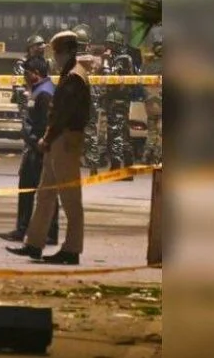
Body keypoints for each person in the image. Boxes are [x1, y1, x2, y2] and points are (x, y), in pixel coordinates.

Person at [7, 31, 90, 266]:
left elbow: (63, 114)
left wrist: (47, 137)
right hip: (58, 141)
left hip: (65, 140)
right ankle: (34, 243)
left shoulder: (74, 76)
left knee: (70, 198)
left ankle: (72, 249)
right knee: (45, 195)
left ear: (65, 52)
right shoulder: (70, 73)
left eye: (56, 52)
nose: (54, 57)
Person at [0, 56, 60, 246]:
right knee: (29, 189)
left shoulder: (45, 93)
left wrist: (37, 142)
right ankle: (24, 228)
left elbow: (45, 123)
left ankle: (47, 232)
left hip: (39, 148)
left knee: (43, 191)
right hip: (34, 147)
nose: (24, 77)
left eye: (27, 73)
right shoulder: (39, 90)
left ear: (36, 73)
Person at [102, 30, 136, 173]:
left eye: (110, 44)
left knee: (116, 134)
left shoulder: (120, 59)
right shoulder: (125, 58)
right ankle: (128, 167)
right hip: (120, 100)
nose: (108, 47)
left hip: (117, 101)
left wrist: (105, 62)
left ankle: (117, 168)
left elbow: (108, 77)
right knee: (124, 134)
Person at [74, 25, 104, 175]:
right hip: (91, 98)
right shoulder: (95, 60)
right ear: (87, 44)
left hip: (73, 97)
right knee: (91, 130)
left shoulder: (69, 59)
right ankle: (93, 165)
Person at [13, 34, 46, 121]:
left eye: (42, 44)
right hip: (26, 96)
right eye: (38, 44)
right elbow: (20, 78)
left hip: (42, 97)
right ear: (31, 48)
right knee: (28, 123)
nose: (42, 47)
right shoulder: (22, 63)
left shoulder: (44, 62)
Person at [141, 31, 163, 165]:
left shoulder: (147, 66)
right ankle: (157, 156)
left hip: (149, 102)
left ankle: (147, 155)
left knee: (151, 131)